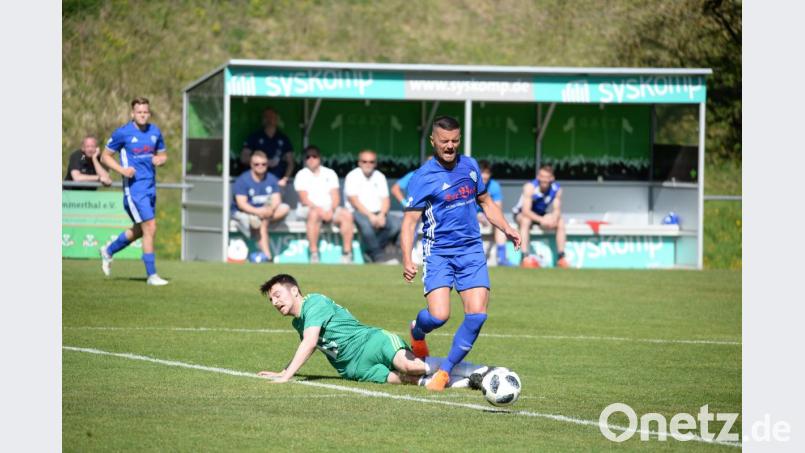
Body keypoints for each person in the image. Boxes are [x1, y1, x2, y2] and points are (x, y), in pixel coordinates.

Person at [400, 116, 521, 392]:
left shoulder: (470, 166)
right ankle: (417, 330)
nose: (450, 146)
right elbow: (409, 222)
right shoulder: (422, 177)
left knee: (477, 315)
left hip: (471, 250)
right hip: (439, 252)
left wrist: (507, 228)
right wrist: (407, 258)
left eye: (455, 141)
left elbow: (486, 202)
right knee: (438, 316)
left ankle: (444, 371)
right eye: (444, 141)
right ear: (433, 141)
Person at [257, 273, 489, 388]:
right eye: (271, 300)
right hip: (354, 369)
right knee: (410, 380)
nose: (275, 302)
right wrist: (283, 370)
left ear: (294, 290)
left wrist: (286, 376)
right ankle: (470, 381)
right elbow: (310, 345)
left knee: (411, 366)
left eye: (277, 295)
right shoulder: (299, 321)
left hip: (372, 342)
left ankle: (478, 369)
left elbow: (309, 342)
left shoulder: (313, 303)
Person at [99, 97, 169, 286]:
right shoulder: (123, 133)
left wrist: (161, 160)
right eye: (139, 112)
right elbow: (105, 156)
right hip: (134, 190)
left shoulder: (155, 131)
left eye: (145, 112)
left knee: (140, 230)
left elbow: (163, 154)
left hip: (150, 188)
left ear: (149, 113)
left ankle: (108, 251)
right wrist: (122, 170)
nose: (143, 115)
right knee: (150, 227)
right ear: (132, 114)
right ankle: (152, 275)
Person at [293, 145, 355, 264]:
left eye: (314, 156)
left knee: (347, 215)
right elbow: (304, 199)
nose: (311, 159)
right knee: (314, 214)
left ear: (319, 158)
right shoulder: (301, 174)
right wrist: (321, 211)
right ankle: (314, 254)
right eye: (308, 157)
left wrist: (331, 210)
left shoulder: (330, 173)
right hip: (308, 208)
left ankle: (347, 254)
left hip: (329, 208)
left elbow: (335, 196)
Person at [231, 151, 291, 263]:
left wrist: (270, 210)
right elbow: (241, 204)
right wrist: (258, 211)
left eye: (263, 164)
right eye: (257, 164)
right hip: (244, 213)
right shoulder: (242, 180)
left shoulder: (272, 179)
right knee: (260, 221)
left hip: (266, 213)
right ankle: (267, 257)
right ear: (251, 164)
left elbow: (277, 199)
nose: (260, 166)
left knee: (284, 208)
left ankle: (266, 257)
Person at [344, 150, 401, 263]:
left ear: (375, 163)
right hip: (357, 212)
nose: (368, 164)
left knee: (397, 224)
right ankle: (378, 257)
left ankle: (371, 252)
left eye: (371, 162)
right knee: (366, 226)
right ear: (359, 162)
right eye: (364, 161)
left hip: (378, 212)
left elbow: (385, 199)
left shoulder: (380, 176)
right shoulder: (352, 176)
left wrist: (382, 215)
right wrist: (371, 216)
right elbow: (354, 200)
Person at [512, 164, 570, 268]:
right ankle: (524, 257)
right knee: (526, 221)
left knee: (560, 221)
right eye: (542, 176)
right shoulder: (530, 187)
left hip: (540, 214)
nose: (544, 180)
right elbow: (526, 211)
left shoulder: (557, 189)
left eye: (547, 177)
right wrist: (542, 220)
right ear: (538, 177)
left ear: (552, 178)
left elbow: (557, 210)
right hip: (521, 213)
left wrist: (553, 219)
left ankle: (561, 257)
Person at [238, 107, 294, 186]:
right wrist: (264, 162)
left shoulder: (283, 139)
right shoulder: (254, 137)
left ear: (276, 119)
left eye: (272, 117)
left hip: (276, 181)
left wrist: (284, 179)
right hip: (256, 182)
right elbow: (244, 158)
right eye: (266, 117)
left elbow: (290, 163)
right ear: (262, 120)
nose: (269, 119)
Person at [477, 160, 515, 267]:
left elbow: (498, 208)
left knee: (500, 223)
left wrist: (487, 217)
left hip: (486, 216)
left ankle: (501, 258)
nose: (485, 176)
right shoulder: (468, 184)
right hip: (470, 216)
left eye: (487, 173)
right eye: (482, 172)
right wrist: (477, 216)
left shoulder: (494, 186)